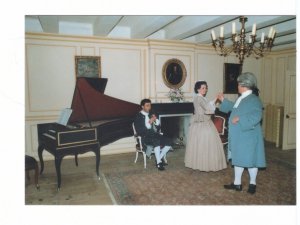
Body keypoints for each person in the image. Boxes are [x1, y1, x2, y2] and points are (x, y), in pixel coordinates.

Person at [217, 72, 266, 194]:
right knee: (238, 159)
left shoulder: (254, 99)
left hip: (248, 136)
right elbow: (235, 108)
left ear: (244, 85)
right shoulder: (242, 98)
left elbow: (256, 116)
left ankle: (253, 184)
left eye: (239, 84)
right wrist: (223, 100)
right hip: (240, 136)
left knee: (250, 161)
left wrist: (239, 119)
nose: (237, 86)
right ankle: (237, 184)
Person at [184, 81, 227, 171]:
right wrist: (217, 99)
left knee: (202, 145)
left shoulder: (201, 98)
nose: (205, 89)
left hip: (204, 122)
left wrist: (216, 98)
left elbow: (208, 105)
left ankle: (202, 163)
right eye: (203, 88)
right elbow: (208, 109)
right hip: (201, 123)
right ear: (198, 89)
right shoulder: (199, 98)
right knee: (204, 144)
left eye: (206, 88)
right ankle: (203, 164)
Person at [134, 99, 172, 171]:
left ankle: (159, 159)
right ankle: (158, 163)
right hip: (145, 137)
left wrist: (155, 120)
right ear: (142, 106)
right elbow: (140, 131)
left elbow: (158, 127)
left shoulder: (151, 113)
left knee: (169, 141)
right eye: (147, 105)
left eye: (150, 105)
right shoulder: (138, 116)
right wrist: (150, 122)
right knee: (156, 141)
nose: (149, 107)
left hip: (154, 135)